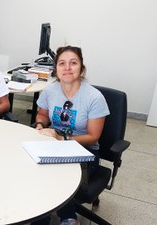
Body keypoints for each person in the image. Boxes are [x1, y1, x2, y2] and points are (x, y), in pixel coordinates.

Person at [32, 46, 110, 225]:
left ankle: (67, 217)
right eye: (62, 63)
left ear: (81, 69)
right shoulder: (50, 91)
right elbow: (43, 114)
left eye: (73, 63)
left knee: (52, 175)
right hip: (55, 146)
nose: (67, 68)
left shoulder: (94, 97)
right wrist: (39, 124)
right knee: (34, 169)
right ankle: (42, 216)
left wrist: (62, 138)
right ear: (56, 70)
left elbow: (93, 136)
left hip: (85, 151)